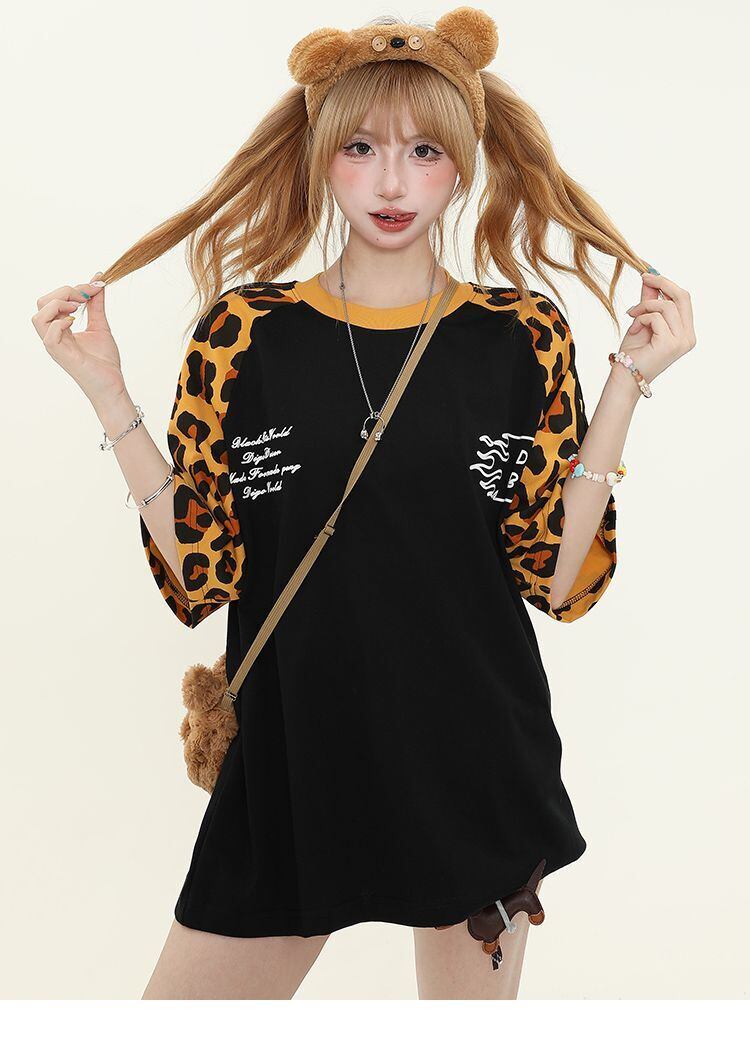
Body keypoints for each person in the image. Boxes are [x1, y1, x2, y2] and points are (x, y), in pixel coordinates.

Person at [30, 8, 695, 1000]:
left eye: (425, 151)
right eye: (362, 148)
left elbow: (556, 581)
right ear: (322, 159)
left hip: (472, 761)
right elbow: (203, 570)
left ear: (461, 167)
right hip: (294, 765)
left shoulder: (519, 335)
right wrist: (105, 390)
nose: (391, 182)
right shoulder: (244, 334)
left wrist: (627, 387)